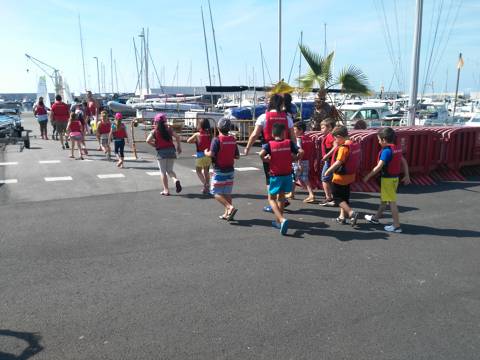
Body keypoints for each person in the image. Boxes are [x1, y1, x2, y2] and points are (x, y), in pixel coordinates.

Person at [244, 93, 295, 212]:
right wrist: (294, 150)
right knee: (283, 173)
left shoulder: (263, 117)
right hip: (285, 149)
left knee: (270, 177)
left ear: (270, 103)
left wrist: (247, 148)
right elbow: (292, 136)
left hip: (269, 150)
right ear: (281, 104)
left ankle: (274, 204)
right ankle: (282, 199)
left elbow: (254, 134)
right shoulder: (287, 117)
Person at [363, 127, 411, 233]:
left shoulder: (386, 151)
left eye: (379, 140)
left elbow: (379, 167)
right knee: (384, 200)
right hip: (395, 178)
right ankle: (375, 218)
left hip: (387, 180)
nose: (379, 142)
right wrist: (407, 175)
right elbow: (404, 161)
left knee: (391, 202)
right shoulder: (396, 148)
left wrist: (368, 176)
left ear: (384, 140)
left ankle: (396, 225)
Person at [260, 122, 302, 235]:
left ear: (273, 134)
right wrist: (296, 158)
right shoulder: (289, 143)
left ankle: (282, 219)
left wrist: (266, 160)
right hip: (287, 174)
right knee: (281, 197)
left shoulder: (269, 144)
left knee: (271, 198)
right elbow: (301, 151)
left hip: (275, 175)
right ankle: (279, 221)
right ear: (284, 133)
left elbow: (261, 154)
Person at [323, 125, 360, 226]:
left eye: (335, 138)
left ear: (339, 136)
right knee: (344, 197)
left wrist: (328, 171)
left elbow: (338, 162)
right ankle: (342, 217)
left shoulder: (343, 148)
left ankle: (352, 213)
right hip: (350, 176)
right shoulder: (353, 143)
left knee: (337, 198)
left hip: (340, 177)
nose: (335, 141)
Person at [205, 118, 239, 221]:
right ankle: (227, 214)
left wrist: (205, 152)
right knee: (227, 193)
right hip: (230, 170)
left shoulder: (216, 139)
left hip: (219, 170)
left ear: (218, 127)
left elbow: (211, 154)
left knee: (215, 192)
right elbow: (237, 156)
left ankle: (229, 207)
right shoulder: (233, 139)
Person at [146, 113, 182, 195]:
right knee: (170, 170)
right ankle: (175, 180)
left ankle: (166, 190)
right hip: (171, 151)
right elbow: (177, 137)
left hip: (161, 152)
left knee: (163, 172)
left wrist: (155, 145)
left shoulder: (154, 131)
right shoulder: (169, 129)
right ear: (165, 121)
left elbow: (147, 140)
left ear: (156, 122)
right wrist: (179, 147)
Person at [291, 121, 315, 202]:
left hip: (299, 161)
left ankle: (292, 193)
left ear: (300, 130)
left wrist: (298, 162)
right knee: (305, 178)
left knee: (294, 177)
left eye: (294, 130)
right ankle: (311, 194)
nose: (293, 132)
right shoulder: (308, 138)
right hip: (307, 161)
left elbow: (300, 151)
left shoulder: (299, 139)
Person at [187, 118, 213, 194]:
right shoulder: (210, 134)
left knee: (198, 171)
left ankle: (206, 184)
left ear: (200, 126)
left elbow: (188, 141)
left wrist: (196, 141)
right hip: (208, 155)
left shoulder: (197, 134)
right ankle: (207, 188)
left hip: (200, 155)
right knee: (206, 171)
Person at [319, 118, 337, 206]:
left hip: (329, 161)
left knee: (324, 178)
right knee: (329, 179)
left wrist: (326, 156)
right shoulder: (329, 136)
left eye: (323, 128)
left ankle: (328, 197)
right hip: (331, 161)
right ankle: (333, 197)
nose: (321, 130)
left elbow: (335, 146)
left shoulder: (330, 136)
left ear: (329, 127)